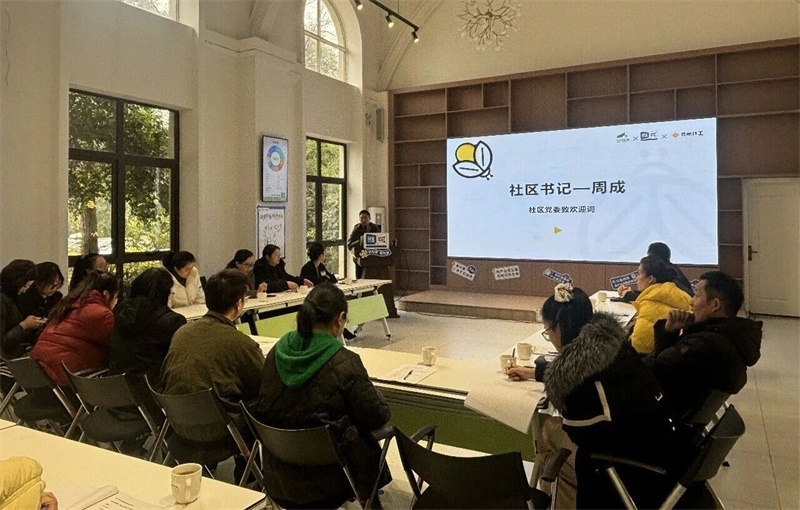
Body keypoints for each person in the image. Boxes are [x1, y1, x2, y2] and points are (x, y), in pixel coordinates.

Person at [508, 284, 677, 509]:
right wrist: (536, 372)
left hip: (628, 469)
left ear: (559, 328)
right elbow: (588, 369)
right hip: (660, 448)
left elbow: (580, 436)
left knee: (551, 438)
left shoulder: (575, 383)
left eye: (548, 331)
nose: (550, 337)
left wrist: (555, 375)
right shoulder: (614, 345)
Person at [253, 283, 391, 509]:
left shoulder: (276, 352)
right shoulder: (345, 362)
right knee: (360, 432)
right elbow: (377, 416)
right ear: (340, 319)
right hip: (330, 483)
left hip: (277, 476)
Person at [645, 271, 762, 422]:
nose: (691, 302)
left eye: (697, 295)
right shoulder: (729, 337)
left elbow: (653, 372)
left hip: (655, 418)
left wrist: (669, 333)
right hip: (674, 411)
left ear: (715, 305)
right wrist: (673, 331)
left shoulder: (704, 345)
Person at [160, 269, 265, 412]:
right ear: (239, 303)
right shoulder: (240, 342)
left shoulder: (182, 332)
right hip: (221, 419)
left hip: (176, 415)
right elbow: (263, 384)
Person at [31, 272, 119, 387]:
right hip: (65, 378)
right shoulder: (102, 314)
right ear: (106, 294)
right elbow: (115, 345)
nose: (116, 302)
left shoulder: (68, 304)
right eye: (116, 297)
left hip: (39, 372)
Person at [108, 268, 187, 383]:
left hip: (115, 385)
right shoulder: (173, 322)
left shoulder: (120, 312)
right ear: (166, 293)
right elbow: (180, 362)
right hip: (153, 388)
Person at [628, 256, 692, 354]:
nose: (636, 278)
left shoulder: (650, 303)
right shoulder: (678, 293)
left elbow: (640, 346)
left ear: (650, 279)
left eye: (639, 273)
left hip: (654, 358)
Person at [618, 242, 694, 301]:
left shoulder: (666, 275)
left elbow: (653, 297)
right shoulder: (672, 269)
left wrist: (628, 294)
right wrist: (630, 293)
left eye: (649, 257)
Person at [0, 260, 43, 361]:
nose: (25, 290)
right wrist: (24, 325)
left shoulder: (12, 297)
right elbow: (2, 343)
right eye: (25, 286)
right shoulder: (2, 301)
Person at [347, 210, 380, 280]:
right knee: (360, 278)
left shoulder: (375, 228)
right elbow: (349, 244)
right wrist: (361, 241)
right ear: (359, 219)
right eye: (362, 218)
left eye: (366, 218)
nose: (364, 220)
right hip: (360, 258)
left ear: (369, 218)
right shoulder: (356, 229)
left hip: (372, 257)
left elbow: (380, 241)